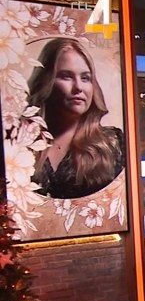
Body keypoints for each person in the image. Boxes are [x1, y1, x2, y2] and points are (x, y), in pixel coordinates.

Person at [27, 38, 124, 199]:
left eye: (85, 78)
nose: (78, 87)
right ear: (45, 81)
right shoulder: (19, 144)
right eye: (66, 76)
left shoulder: (113, 144)